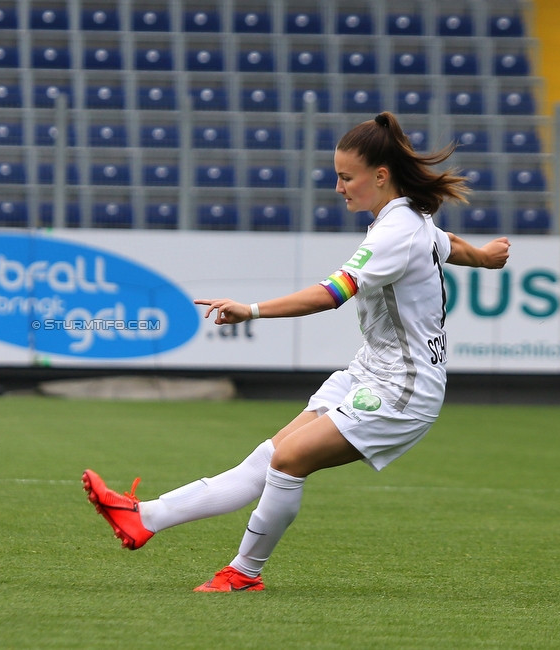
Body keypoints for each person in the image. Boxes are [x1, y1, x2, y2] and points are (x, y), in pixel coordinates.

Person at [83, 112, 511, 591]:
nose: (338, 187)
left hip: (403, 391)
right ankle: (144, 517)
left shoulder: (398, 230)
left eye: (346, 177)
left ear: (381, 176)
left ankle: (244, 573)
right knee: (266, 459)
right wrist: (486, 257)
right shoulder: (407, 219)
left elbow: (333, 292)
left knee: (288, 462)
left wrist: (252, 309)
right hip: (371, 372)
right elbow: (444, 243)